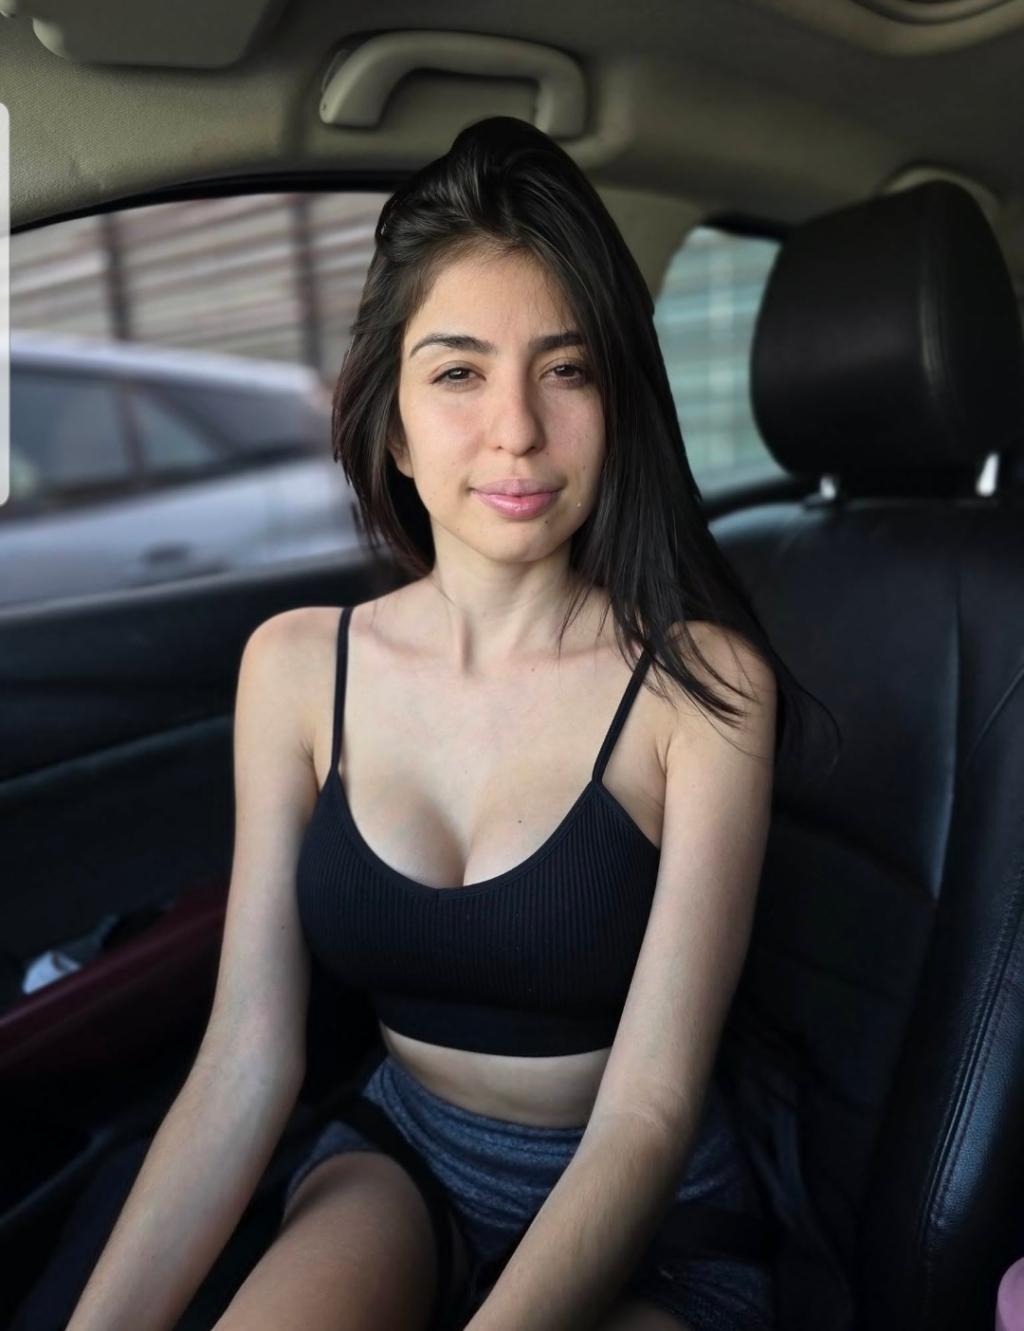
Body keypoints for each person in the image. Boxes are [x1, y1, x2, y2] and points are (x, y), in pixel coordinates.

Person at [67, 115, 834, 1331]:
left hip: (650, 1220)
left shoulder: (704, 688)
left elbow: (646, 1110)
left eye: (566, 370)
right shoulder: (294, 669)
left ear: (617, 404)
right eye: (459, 372)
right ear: (392, 421)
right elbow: (247, 1057)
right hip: (404, 1161)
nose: (516, 429)